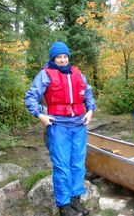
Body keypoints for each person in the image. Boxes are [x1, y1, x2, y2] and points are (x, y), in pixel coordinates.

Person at [25, 41, 96, 216]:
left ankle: (75, 200)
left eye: (65, 57)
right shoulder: (45, 75)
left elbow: (88, 94)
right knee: (62, 165)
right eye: (59, 57)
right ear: (53, 58)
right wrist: (40, 115)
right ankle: (64, 206)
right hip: (58, 126)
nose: (63, 60)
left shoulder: (78, 74)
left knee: (78, 164)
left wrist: (90, 111)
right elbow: (31, 97)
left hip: (79, 125)